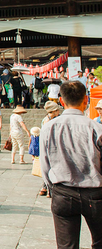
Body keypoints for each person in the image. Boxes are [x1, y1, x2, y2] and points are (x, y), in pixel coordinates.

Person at [40, 80, 102, 249]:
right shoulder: (96, 128)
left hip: (63, 191)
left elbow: (44, 165)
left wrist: (53, 188)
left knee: (67, 246)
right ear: (86, 99)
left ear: (61, 101)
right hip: (95, 193)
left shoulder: (49, 127)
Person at [38, 101, 61, 197]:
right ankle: (47, 188)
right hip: (52, 146)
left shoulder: (46, 119)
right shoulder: (50, 121)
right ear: (55, 111)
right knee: (51, 167)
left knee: (48, 167)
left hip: (48, 146)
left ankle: (45, 188)